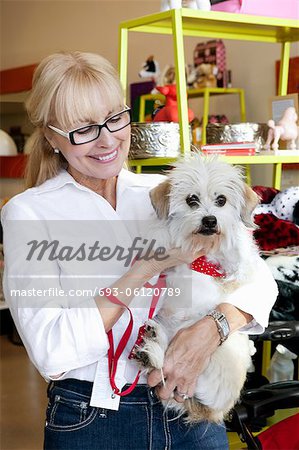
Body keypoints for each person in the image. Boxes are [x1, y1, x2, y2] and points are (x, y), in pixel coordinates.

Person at [1, 51, 278, 450]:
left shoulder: (164, 192)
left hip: (192, 408)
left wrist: (213, 327)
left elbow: (259, 282)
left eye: (116, 118)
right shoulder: (29, 214)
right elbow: (52, 351)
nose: (108, 140)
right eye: (84, 129)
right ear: (50, 136)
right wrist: (146, 268)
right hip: (93, 420)